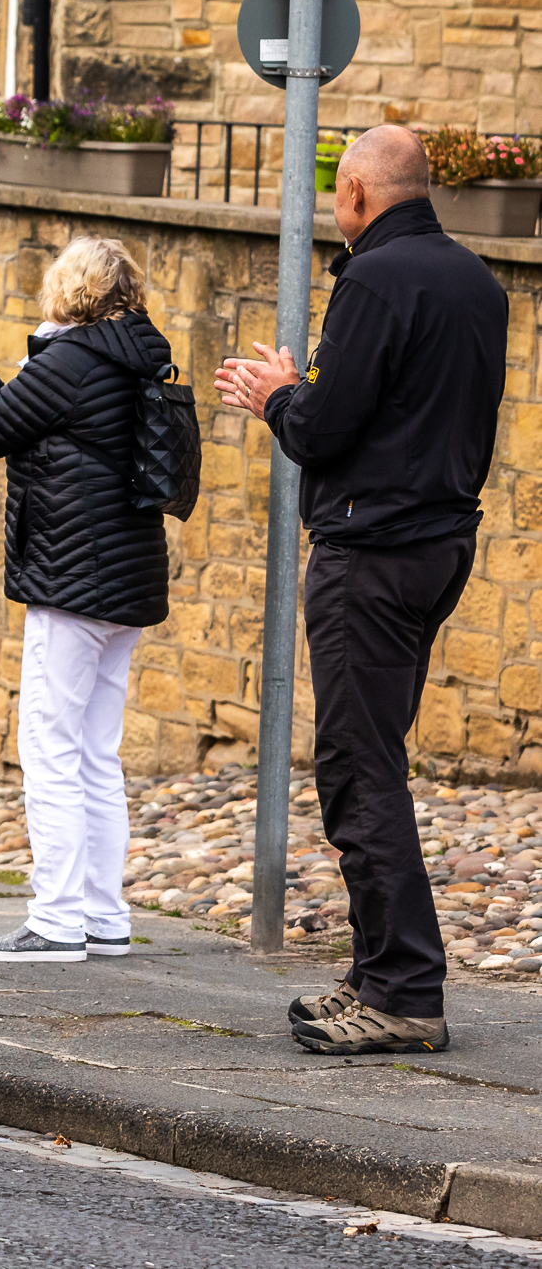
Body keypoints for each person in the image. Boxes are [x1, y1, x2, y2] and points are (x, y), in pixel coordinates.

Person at [218, 125, 507, 1056]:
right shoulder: (477, 281)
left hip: (369, 552)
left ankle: (406, 987)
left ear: (354, 197)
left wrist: (276, 393)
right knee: (375, 752)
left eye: (336, 200)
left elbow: (327, 426)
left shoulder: (374, 280)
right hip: (436, 547)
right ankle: (380, 969)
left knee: (357, 766)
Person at [0, 236, 174, 966]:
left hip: (73, 581)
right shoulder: (128, 352)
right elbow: (23, 419)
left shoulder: (74, 360)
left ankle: (54, 920)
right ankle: (104, 916)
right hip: (122, 578)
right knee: (95, 752)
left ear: (66, 290)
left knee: (49, 747)